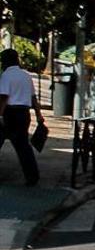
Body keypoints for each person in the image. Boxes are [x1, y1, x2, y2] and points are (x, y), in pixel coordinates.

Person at [0, 49, 44, 186]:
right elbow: (33, 97)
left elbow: (4, 97)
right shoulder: (26, 76)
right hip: (24, 113)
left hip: (10, 113)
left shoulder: (6, 76)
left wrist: (0, 115)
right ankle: (32, 176)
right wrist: (38, 115)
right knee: (23, 145)